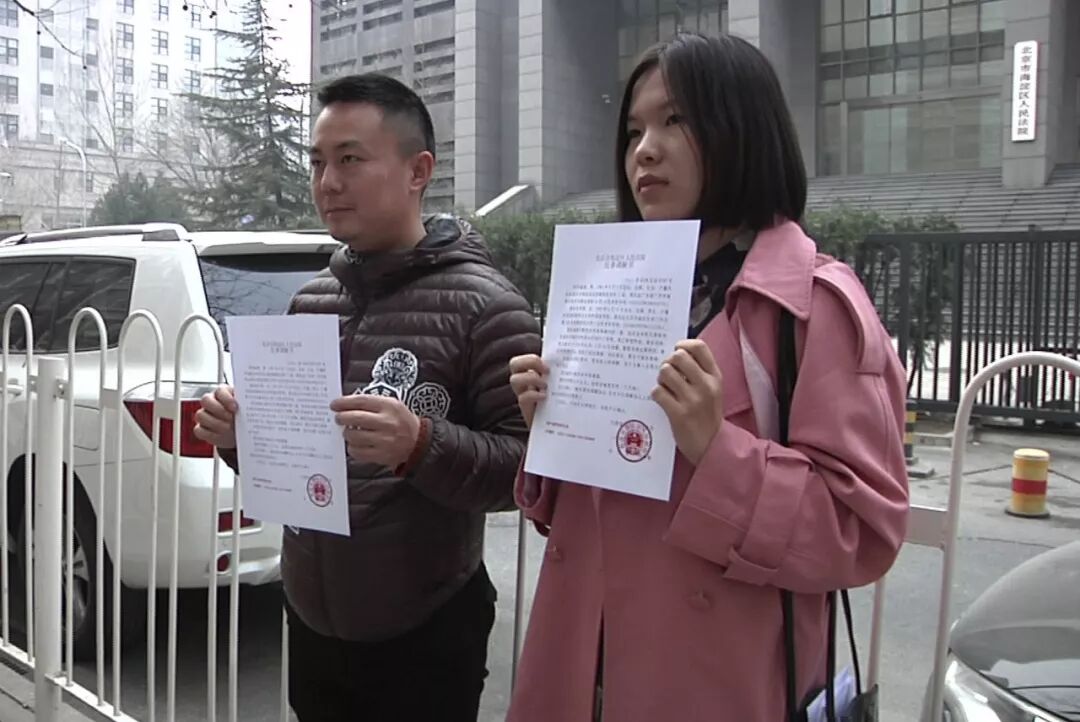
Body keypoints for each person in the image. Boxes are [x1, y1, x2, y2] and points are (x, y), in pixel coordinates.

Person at [507, 33, 909, 722]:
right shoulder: (610, 288)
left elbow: (862, 530)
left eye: (675, 120)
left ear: (742, 128)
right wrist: (553, 429)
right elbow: (600, 508)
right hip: (579, 665)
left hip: (713, 679)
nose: (645, 150)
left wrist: (717, 450)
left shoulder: (812, 307)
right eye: (634, 130)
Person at [193, 73, 541, 722]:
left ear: (418, 171)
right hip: (313, 618)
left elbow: (527, 470)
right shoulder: (310, 301)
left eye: (350, 159)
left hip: (427, 627)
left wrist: (421, 445)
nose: (328, 182)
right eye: (318, 162)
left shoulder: (488, 307)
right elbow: (296, 462)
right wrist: (241, 439)